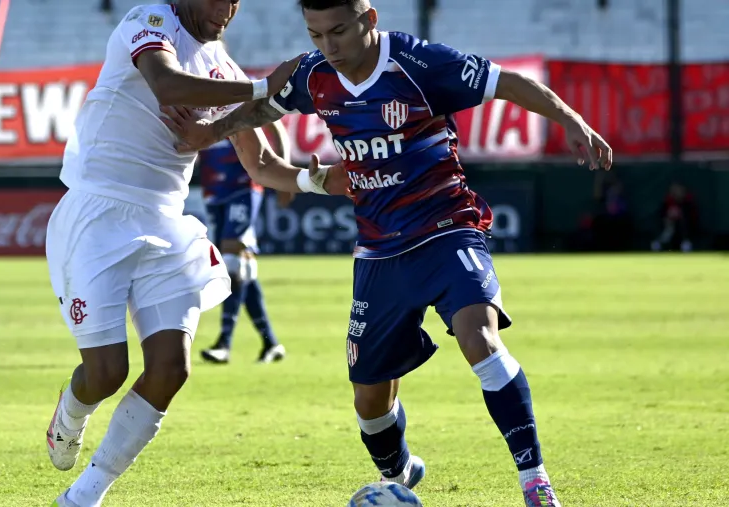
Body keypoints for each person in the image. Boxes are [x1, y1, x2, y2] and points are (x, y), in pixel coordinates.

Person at [160, 1, 613, 505]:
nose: (328, 47)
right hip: (378, 251)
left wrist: (569, 118)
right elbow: (260, 113)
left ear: (368, 20)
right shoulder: (314, 75)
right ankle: (398, 469)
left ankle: (536, 482)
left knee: (479, 339)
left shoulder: (419, 63)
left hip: (446, 228)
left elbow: (506, 82)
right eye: (315, 35)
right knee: (370, 402)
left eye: (338, 32)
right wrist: (207, 133)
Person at [43, 1, 346, 506]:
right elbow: (166, 83)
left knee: (172, 368)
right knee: (106, 374)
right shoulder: (148, 21)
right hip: (98, 212)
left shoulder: (221, 66)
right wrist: (262, 87)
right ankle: (71, 414)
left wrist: (317, 182)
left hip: (166, 222)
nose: (226, 9)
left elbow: (263, 163)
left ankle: (84, 496)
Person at [197, 120, 292, 364]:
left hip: (242, 185)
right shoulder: (191, 92)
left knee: (231, 260)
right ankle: (271, 343)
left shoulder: (235, 85)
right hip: (213, 187)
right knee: (240, 268)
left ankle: (224, 344)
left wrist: (284, 171)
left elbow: (275, 126)